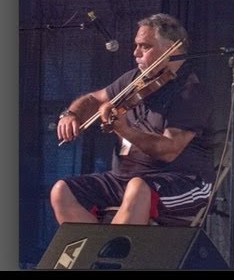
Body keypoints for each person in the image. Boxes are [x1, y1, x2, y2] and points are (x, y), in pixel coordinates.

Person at [51, 13, 215, 225]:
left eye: (144, 47)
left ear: (170, 48)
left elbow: (169, 150)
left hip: (182, 181)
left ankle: (111, 252)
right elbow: (94, 98)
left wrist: (124, 130)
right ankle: (93, 253)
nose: (135, 53)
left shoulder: (191, 92)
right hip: (124, 178)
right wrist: (71, 114)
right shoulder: (134, 79)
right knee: (62, 191)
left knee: (137, 189)